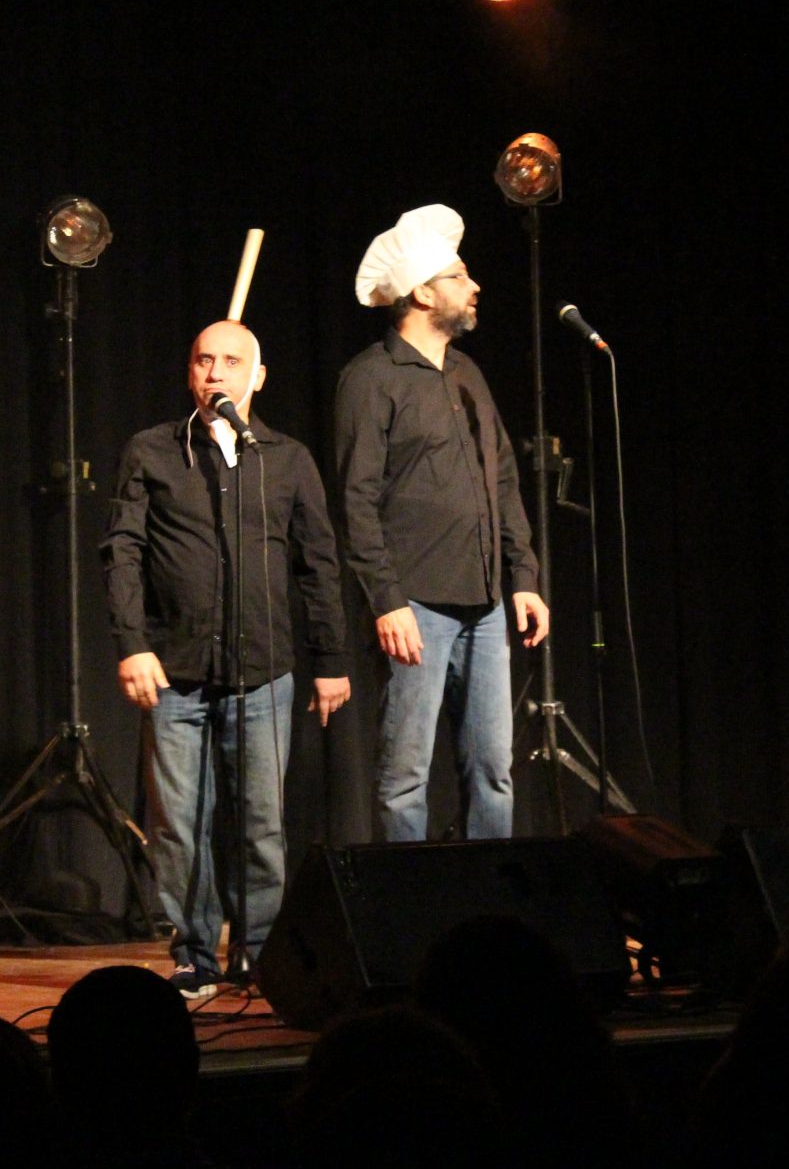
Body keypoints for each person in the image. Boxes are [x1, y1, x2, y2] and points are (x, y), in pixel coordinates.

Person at [102, 320, 349, 997]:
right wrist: (132, 645)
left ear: (257, 376)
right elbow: (122, 553)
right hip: (175, 671)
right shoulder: (152, 451)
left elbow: (317, 563)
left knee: (261, 824)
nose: (216, 372)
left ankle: (259, 951)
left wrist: (330, 658)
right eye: (204, 360)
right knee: (178, 825)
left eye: (231, 361)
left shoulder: (286, 458)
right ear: (190, 373)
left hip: (264, 671)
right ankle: (193, 954)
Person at [334, 203, 548, 843]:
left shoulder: (467, 375)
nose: (473, 285)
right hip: (416, 604)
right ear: (422, 292)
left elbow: (502, 479)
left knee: (493, 768)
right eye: (459, 276)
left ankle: (488, 903)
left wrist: (524, 575)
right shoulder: (371, 378)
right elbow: (357, 498)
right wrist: (386, 599)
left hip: (484, 603)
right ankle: (410, 911)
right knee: (405, 773)